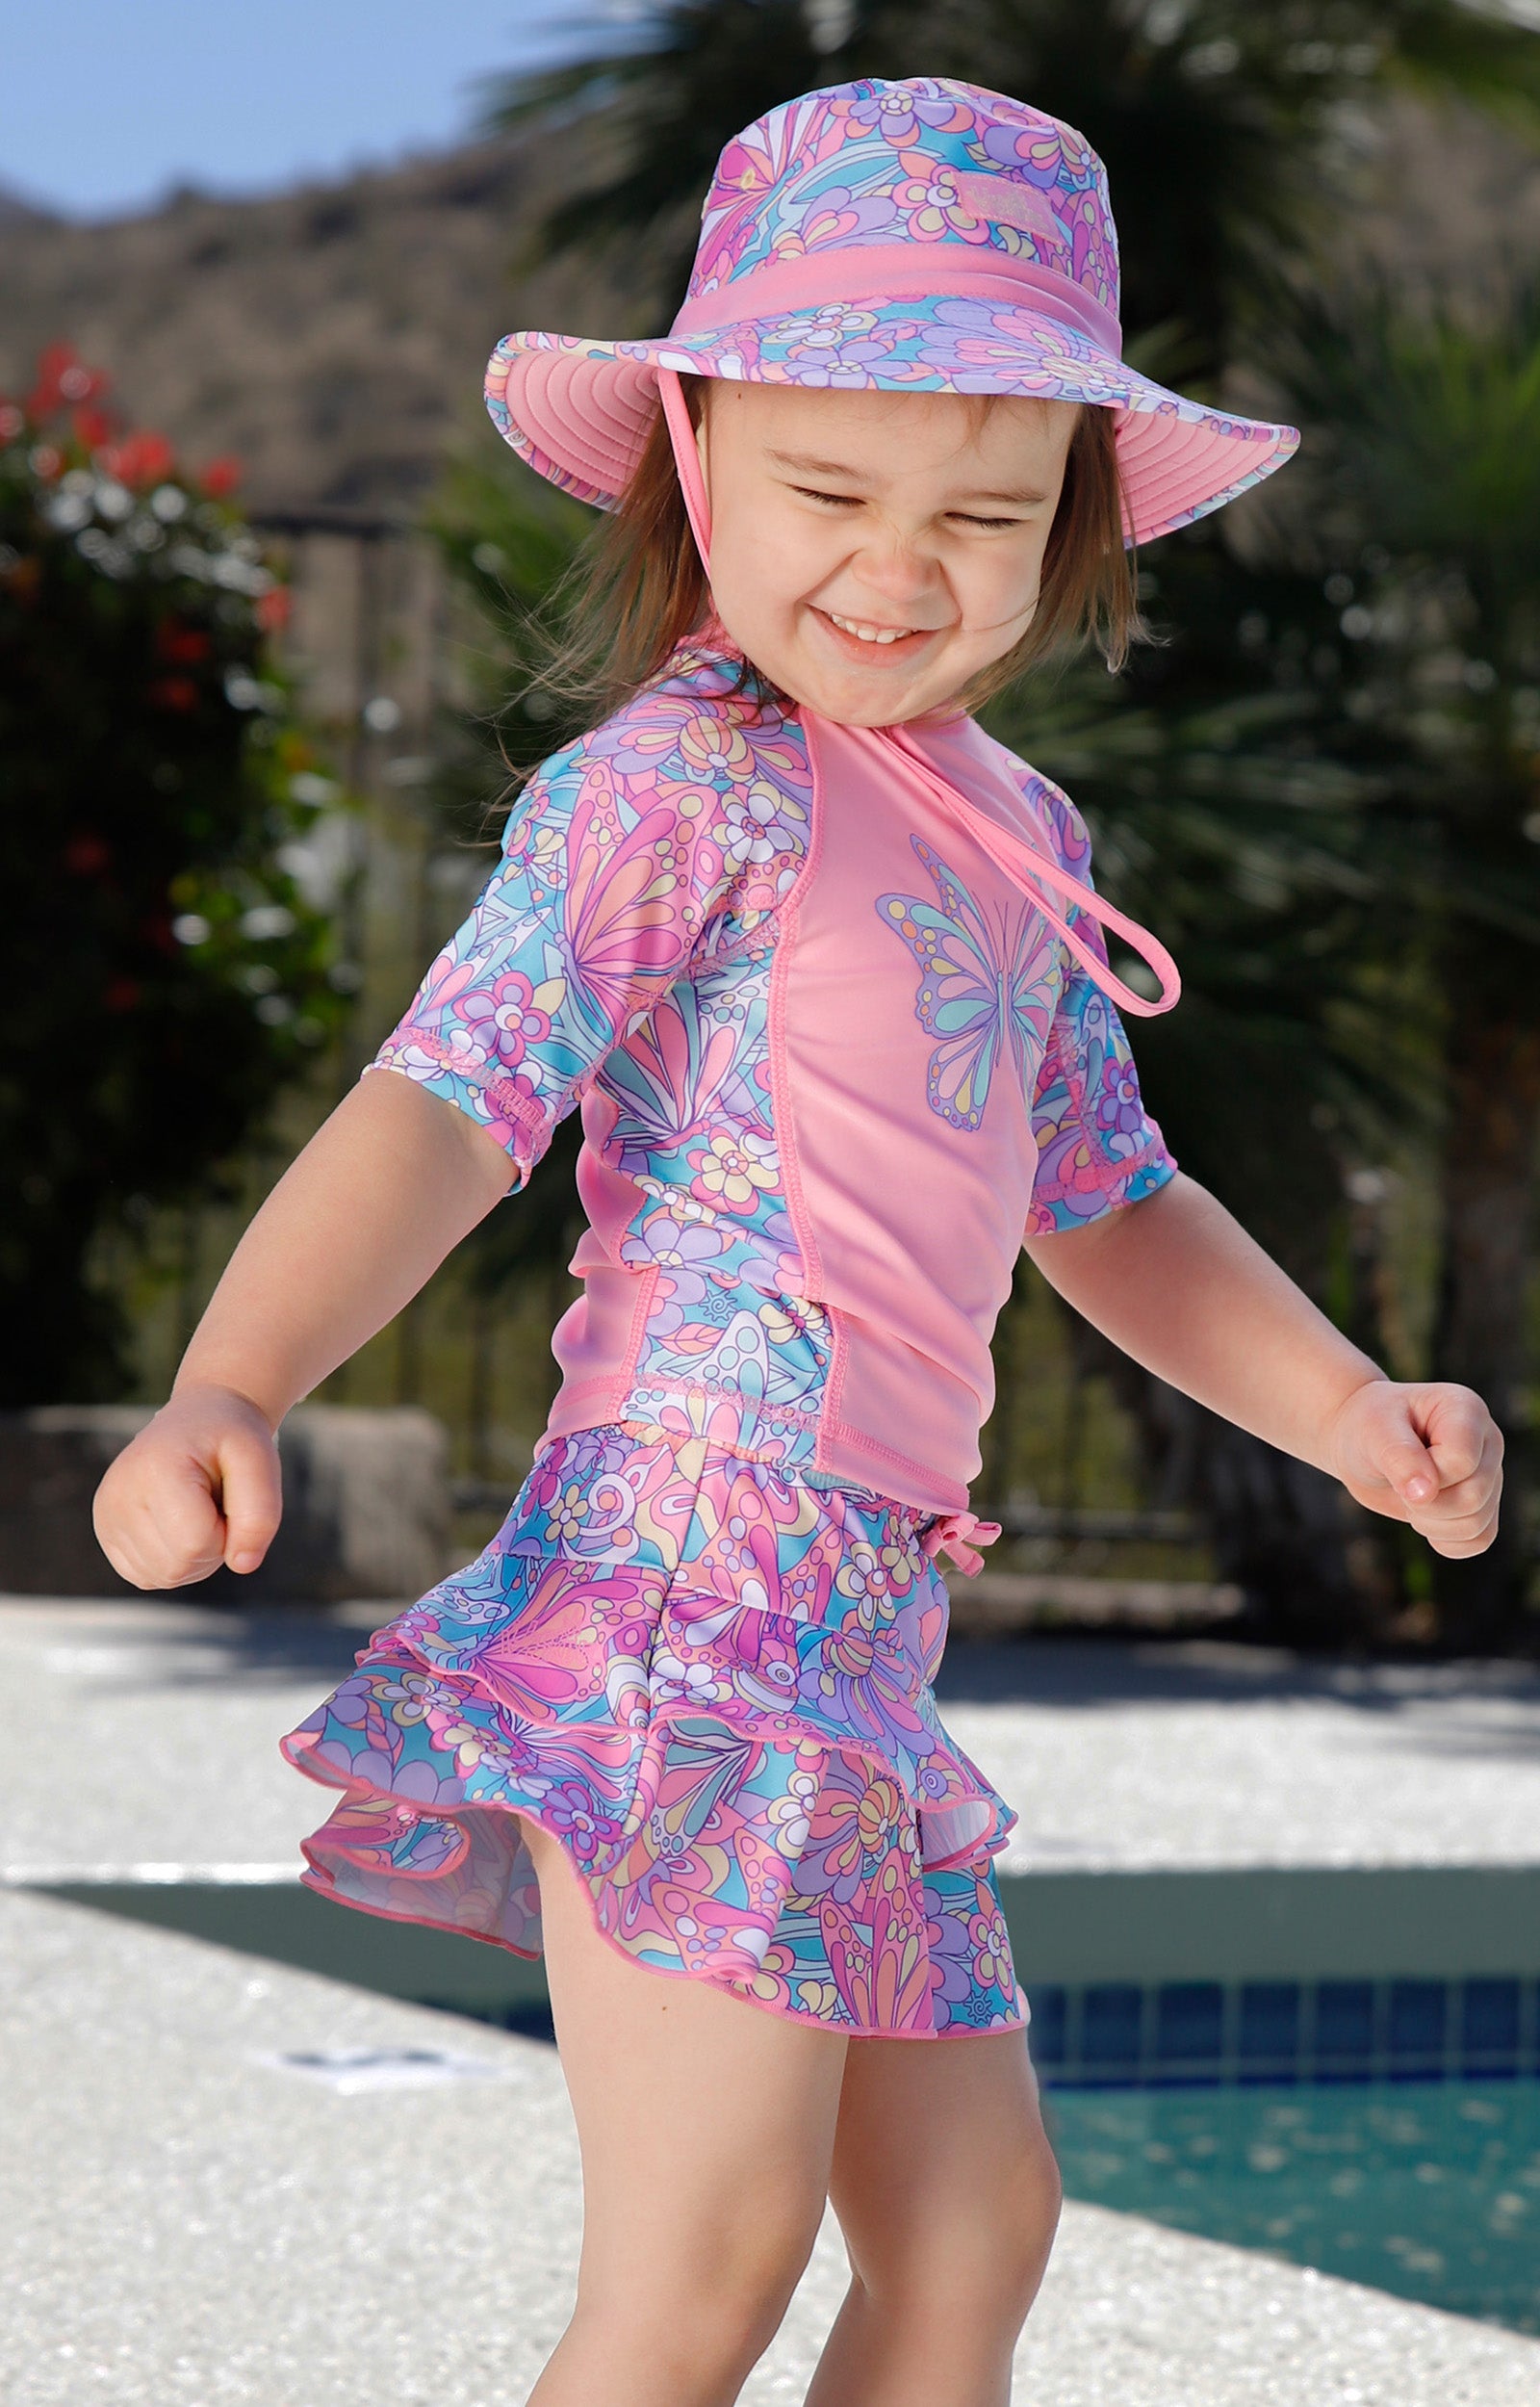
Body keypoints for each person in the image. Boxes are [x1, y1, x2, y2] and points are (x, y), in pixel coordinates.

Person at [94, 76, 1502, 2407]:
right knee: (703, 2266)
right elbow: (446, 1106)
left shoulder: (1013, 825)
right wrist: (230, 1381)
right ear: (696, 469)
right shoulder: (669, 788)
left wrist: (1344, 1405)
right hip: (683, 1579)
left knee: (969, 2237)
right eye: (828, 490)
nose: (897, 561)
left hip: (855, 1633)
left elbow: (1109, 1198)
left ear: (1071, 528)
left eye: (983, 508)